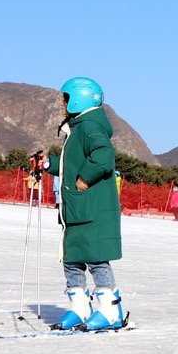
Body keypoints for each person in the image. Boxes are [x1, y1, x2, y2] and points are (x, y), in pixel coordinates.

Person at [54, 77, 125, 331]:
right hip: (77, 208)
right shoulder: (78, 127)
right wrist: (49, 165)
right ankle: (80, 308)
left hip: (92, 209)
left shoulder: (90, 126)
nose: (62, 103)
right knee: (71, 259)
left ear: (79, 98)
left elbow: (103, 157)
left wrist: (84, 179)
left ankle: (110, 310)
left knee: (96, 259)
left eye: (65, 97)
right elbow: (71, 164)